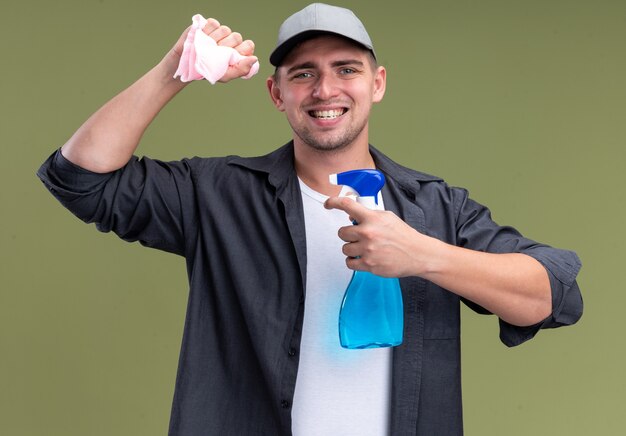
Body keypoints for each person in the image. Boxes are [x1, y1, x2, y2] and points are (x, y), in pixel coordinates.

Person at [37, 3, 583, 435]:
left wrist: (424, 255)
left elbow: (552, 295)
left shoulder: (436, 209)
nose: (325, 90)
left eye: (346, 69)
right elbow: (81, 177)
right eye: (304, 74)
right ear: (277, 93)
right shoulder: (218, 195)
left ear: (378, 83)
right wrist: (171, 72)